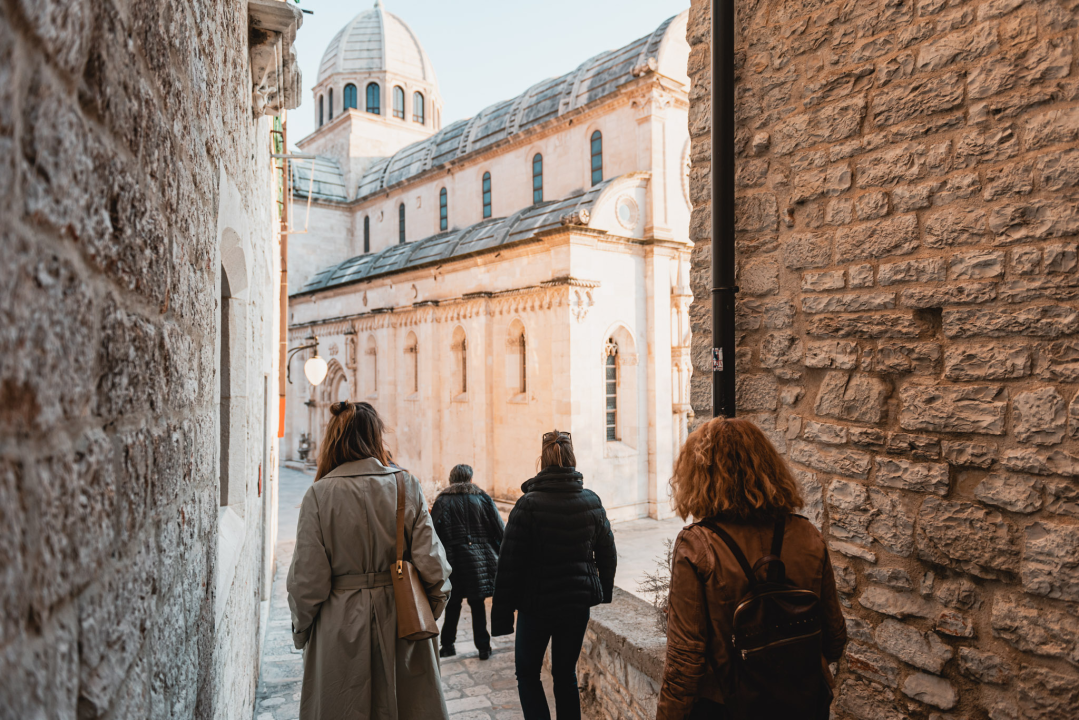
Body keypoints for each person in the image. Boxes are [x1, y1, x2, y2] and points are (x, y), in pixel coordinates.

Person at [656, 417, 847, 720]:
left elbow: (684, 660)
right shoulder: (808, 536)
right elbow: (834, 637)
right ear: (768, 467)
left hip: (727, 705)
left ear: (699, 475)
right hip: (803, 703)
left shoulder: (697, 546)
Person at [287, 401, 452, 720]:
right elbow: (435, 568)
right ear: (376, 437)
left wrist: (302, 632)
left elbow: (306, 582)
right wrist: (424, 612)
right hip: (402, 624)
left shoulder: (319, 495)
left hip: (339, 628)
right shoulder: (406, 485)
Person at [491, 430, 617, 720]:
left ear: (542, 461)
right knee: (565, 674)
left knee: (527, 673)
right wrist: (604, 592)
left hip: (537, 607)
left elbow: (509, 564)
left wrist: (501, 617)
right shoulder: (591, 501)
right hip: (576, 606)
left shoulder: (528, 505)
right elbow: (608, 555)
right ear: (572, 459)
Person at [430, 463, 505, 660]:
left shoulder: (442, 501)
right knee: (477, 603)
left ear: (451, 480)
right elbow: (500, 530)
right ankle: (483, 648)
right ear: (471, 479)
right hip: (478, 561)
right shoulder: (483, 499)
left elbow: (432, 535)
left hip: (452, 559)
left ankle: (447, 646)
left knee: (452, 603)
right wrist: (500, 555)